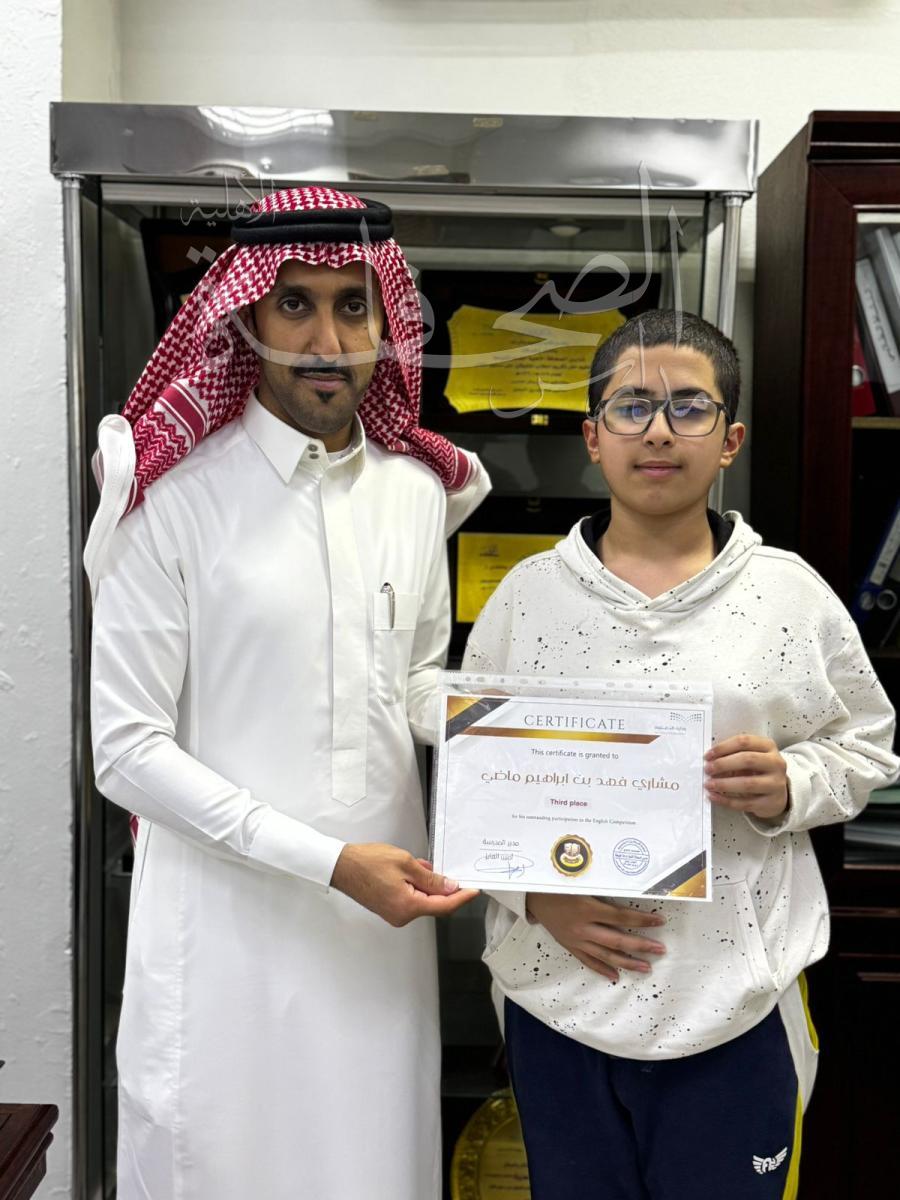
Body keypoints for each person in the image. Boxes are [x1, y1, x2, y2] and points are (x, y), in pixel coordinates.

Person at [87, 187, 489, 1200]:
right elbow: (125, 753)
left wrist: (552, 737)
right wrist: (329, 863)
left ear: (387, 323)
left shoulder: (414, 493)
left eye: (353, 306)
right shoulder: (172, 499)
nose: (326, 341)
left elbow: (413, 686)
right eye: (295, 304)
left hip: (378, 940)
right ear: (246, 317)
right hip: (223, 942)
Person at [462, 309, 899, 1199]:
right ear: (592, 436)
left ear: (730, 439)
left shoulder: (790, 595)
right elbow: (472, 791)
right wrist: (536, 898)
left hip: (736, 1002)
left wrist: (791, 782)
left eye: (689, 407)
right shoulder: (527, 598)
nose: (659, 430)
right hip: (559, 1001)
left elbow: (868, 745)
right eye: (631, 406)